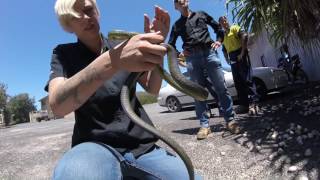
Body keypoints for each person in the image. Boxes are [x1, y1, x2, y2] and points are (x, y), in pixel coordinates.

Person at [46, 0, 202, 179]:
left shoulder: (122, 46)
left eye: (89, 10)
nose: (85, 17)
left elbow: (152, 88)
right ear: (68, 25)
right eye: (75, 15)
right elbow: (58, 105)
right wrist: (113, 61)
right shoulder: (62, 54)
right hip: (93, 148)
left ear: (97, 12)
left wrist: (157, 46)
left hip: (142, 147)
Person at [168, 0, 240, 140]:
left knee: (221, 88)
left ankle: (230, 121)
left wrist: (219, 40)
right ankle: (205, 126)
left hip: (209, 54)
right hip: (192, 59)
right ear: (176, 6)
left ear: (187, 1)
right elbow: (170, 44)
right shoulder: (177, 25)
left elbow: (217, 27)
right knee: (197, 93)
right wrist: (178, 54)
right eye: (177, 1)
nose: (180, 1)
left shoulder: (201, 14)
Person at [219, 16, 259, 114]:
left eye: (225, 21)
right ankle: (244, 105)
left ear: (227, 20)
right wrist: (227, 59)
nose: (224, 23)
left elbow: (244, 36)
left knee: (247, 79)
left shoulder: (234, 28)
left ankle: (253, 104)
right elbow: (224, 49)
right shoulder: (223, 35)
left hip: (240, 54)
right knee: (238, 82)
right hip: (232, 58)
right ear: (220, 25)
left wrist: (242, 52)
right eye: (222, 22)